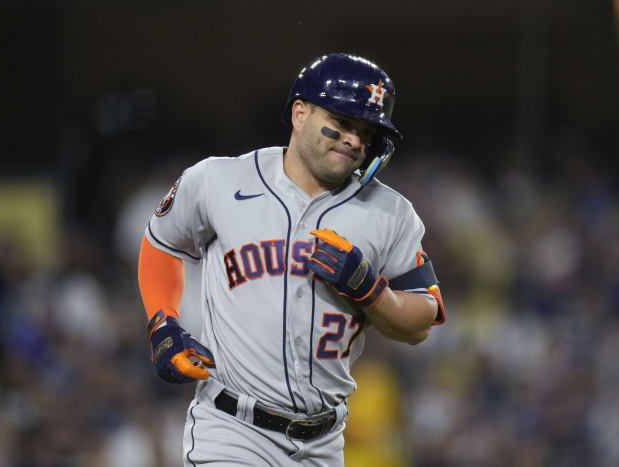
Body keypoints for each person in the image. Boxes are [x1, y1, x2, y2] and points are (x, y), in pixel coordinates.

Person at [138, 52, 446, 466]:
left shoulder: (391, 214)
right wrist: (162, 321)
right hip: (233, 430)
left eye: (364, 130)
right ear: (300, 114)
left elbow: (421, 321)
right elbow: (162, 243)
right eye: (341, 123)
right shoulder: (219, 180)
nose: (354, 140)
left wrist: (371, 291)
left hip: (324, 442)